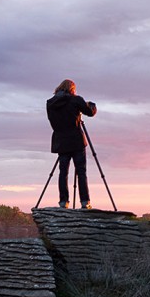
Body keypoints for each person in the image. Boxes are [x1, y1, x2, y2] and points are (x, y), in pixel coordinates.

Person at [46, 79, 97, 209]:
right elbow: (90, 112)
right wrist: (91, 104)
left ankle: (63, 202)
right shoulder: (76, 100)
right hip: (76, 141)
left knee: (63, 172)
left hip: (61, 141)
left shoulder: (50, 103)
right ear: (72, 89)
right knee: (81, 171)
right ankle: (85, 202)